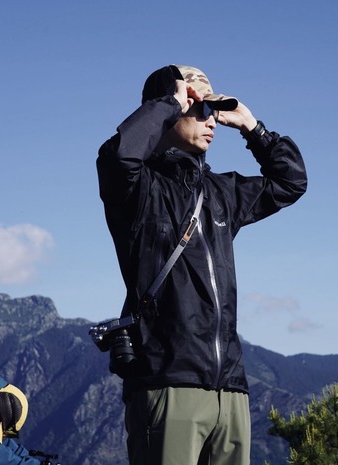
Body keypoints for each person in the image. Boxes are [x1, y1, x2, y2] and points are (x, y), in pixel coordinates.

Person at [96, 64, 308, 465]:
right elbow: (120, 156)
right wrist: (170, 104)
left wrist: (250, 126)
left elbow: (290, 182)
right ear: (171, 109)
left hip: (230, 389)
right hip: (168, 383)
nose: (210, 119)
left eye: (212, 110)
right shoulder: (139, 189)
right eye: (199, 108)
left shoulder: (220, 192)